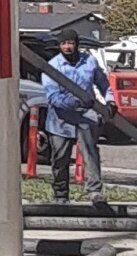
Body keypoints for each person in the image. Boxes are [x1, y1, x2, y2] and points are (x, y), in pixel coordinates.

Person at [41, 36, 109, 202]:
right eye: (63, 43)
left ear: (77, 44)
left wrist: (110, 101)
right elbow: (53, 97)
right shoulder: (53, 66)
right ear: (59, 46)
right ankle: (60, 194)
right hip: (60, 119)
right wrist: (75, 101)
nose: (67, 47)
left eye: (70, 43)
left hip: (85, 116)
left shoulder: (90, 62)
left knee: (90, 153)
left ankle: (94, 191)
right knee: (60, 157)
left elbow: (104, 84)